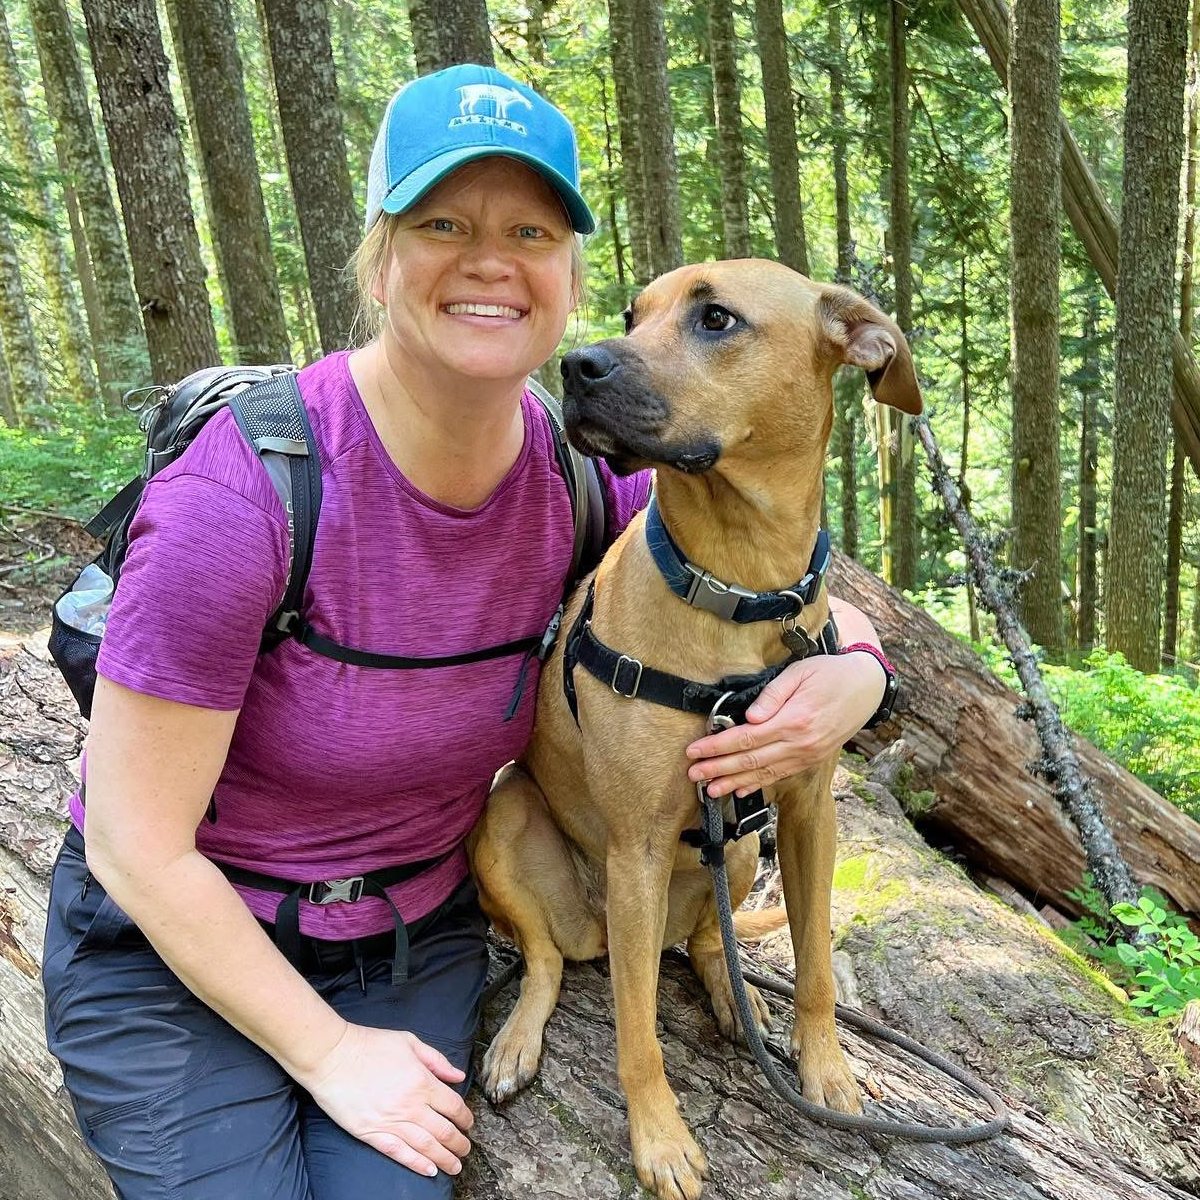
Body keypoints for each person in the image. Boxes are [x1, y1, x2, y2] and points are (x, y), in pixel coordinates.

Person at [41, 63, 892, 1200]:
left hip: (407, 939)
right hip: (170, 946)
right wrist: (329, 1055)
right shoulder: (242, 499)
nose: (490, 258)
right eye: (444, 220)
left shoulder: (579, 485)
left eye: (531, 230)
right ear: (381, 258)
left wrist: (860, 675)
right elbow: (136, 848)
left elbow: (765, 572)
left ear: (561, 275)